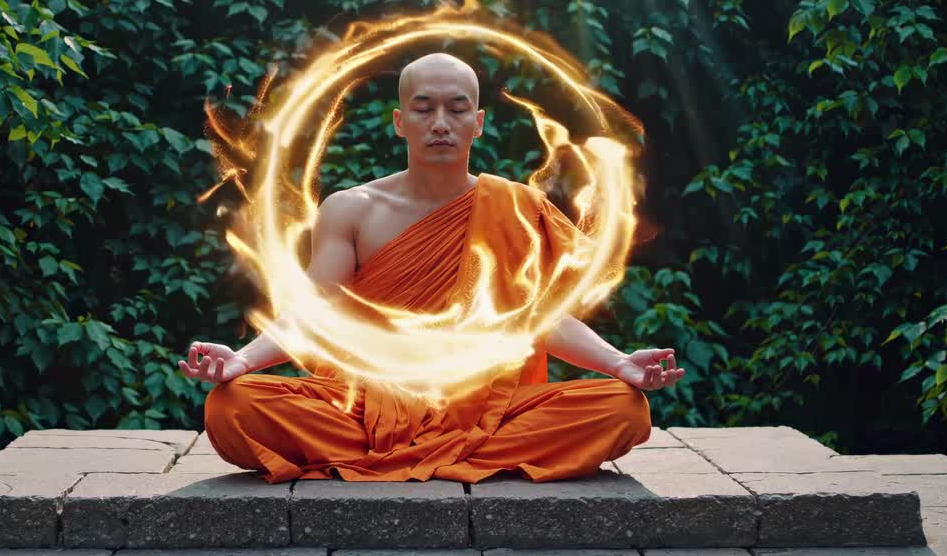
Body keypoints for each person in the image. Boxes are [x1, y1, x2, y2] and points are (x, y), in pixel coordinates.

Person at [178, 52, 685, 484]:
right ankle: (457, 459)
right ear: (400, 122)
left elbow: (537, 319)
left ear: (478, 122)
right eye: (423, 109)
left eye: (456, 108)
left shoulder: (514, 206)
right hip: (369, 408)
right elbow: (317, 311)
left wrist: (619, 363)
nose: (439, 122)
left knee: (623, 408)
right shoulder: (352, 208)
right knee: (231, 408)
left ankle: (413, 459)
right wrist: (243, 361)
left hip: (485, 407)